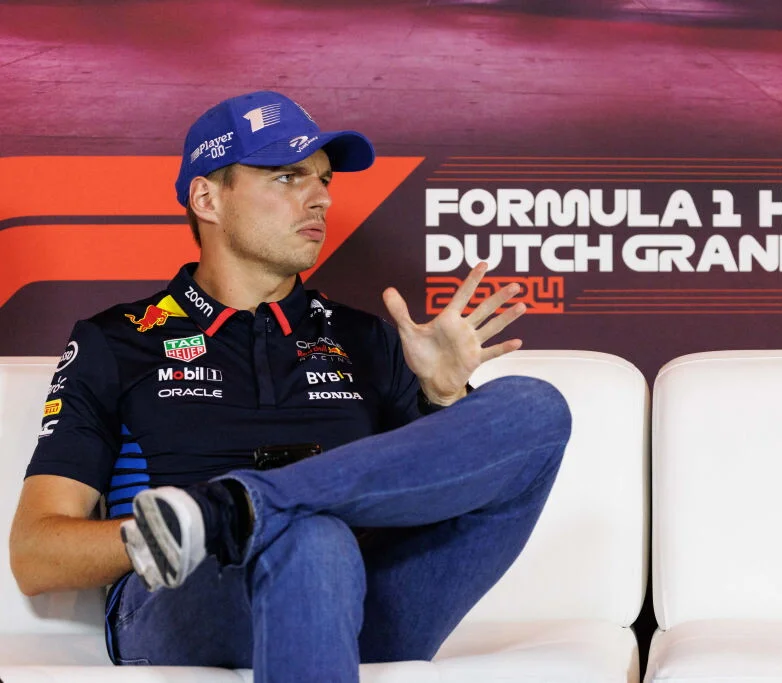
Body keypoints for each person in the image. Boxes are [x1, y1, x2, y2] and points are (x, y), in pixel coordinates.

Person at [8, 90, 572, 683]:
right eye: (287, 177)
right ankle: (231, 519)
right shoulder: (118, 340)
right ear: (207, 198)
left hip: (367, 594)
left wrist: (443, 400)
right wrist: (165, 538)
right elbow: (35, 555)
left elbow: (436, 504)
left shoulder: (371, 339)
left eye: (323, 180)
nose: (321, 198)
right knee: (312, 538)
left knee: (536, 405)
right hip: (184, 599)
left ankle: (234, 507)